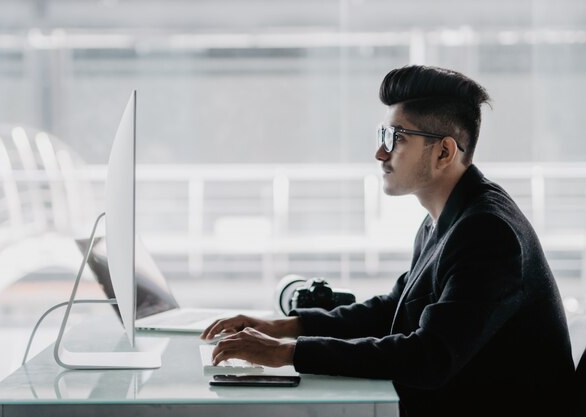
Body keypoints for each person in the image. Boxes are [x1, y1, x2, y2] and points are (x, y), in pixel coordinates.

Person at [200, 65, 577, 417]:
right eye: (381, 136)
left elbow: (429, 356)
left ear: (444, 152)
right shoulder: (446, 219)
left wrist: (289, 353)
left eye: (394, 138)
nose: (379, 153)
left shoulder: (489, 233)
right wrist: (281, 328)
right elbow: (392, 310)